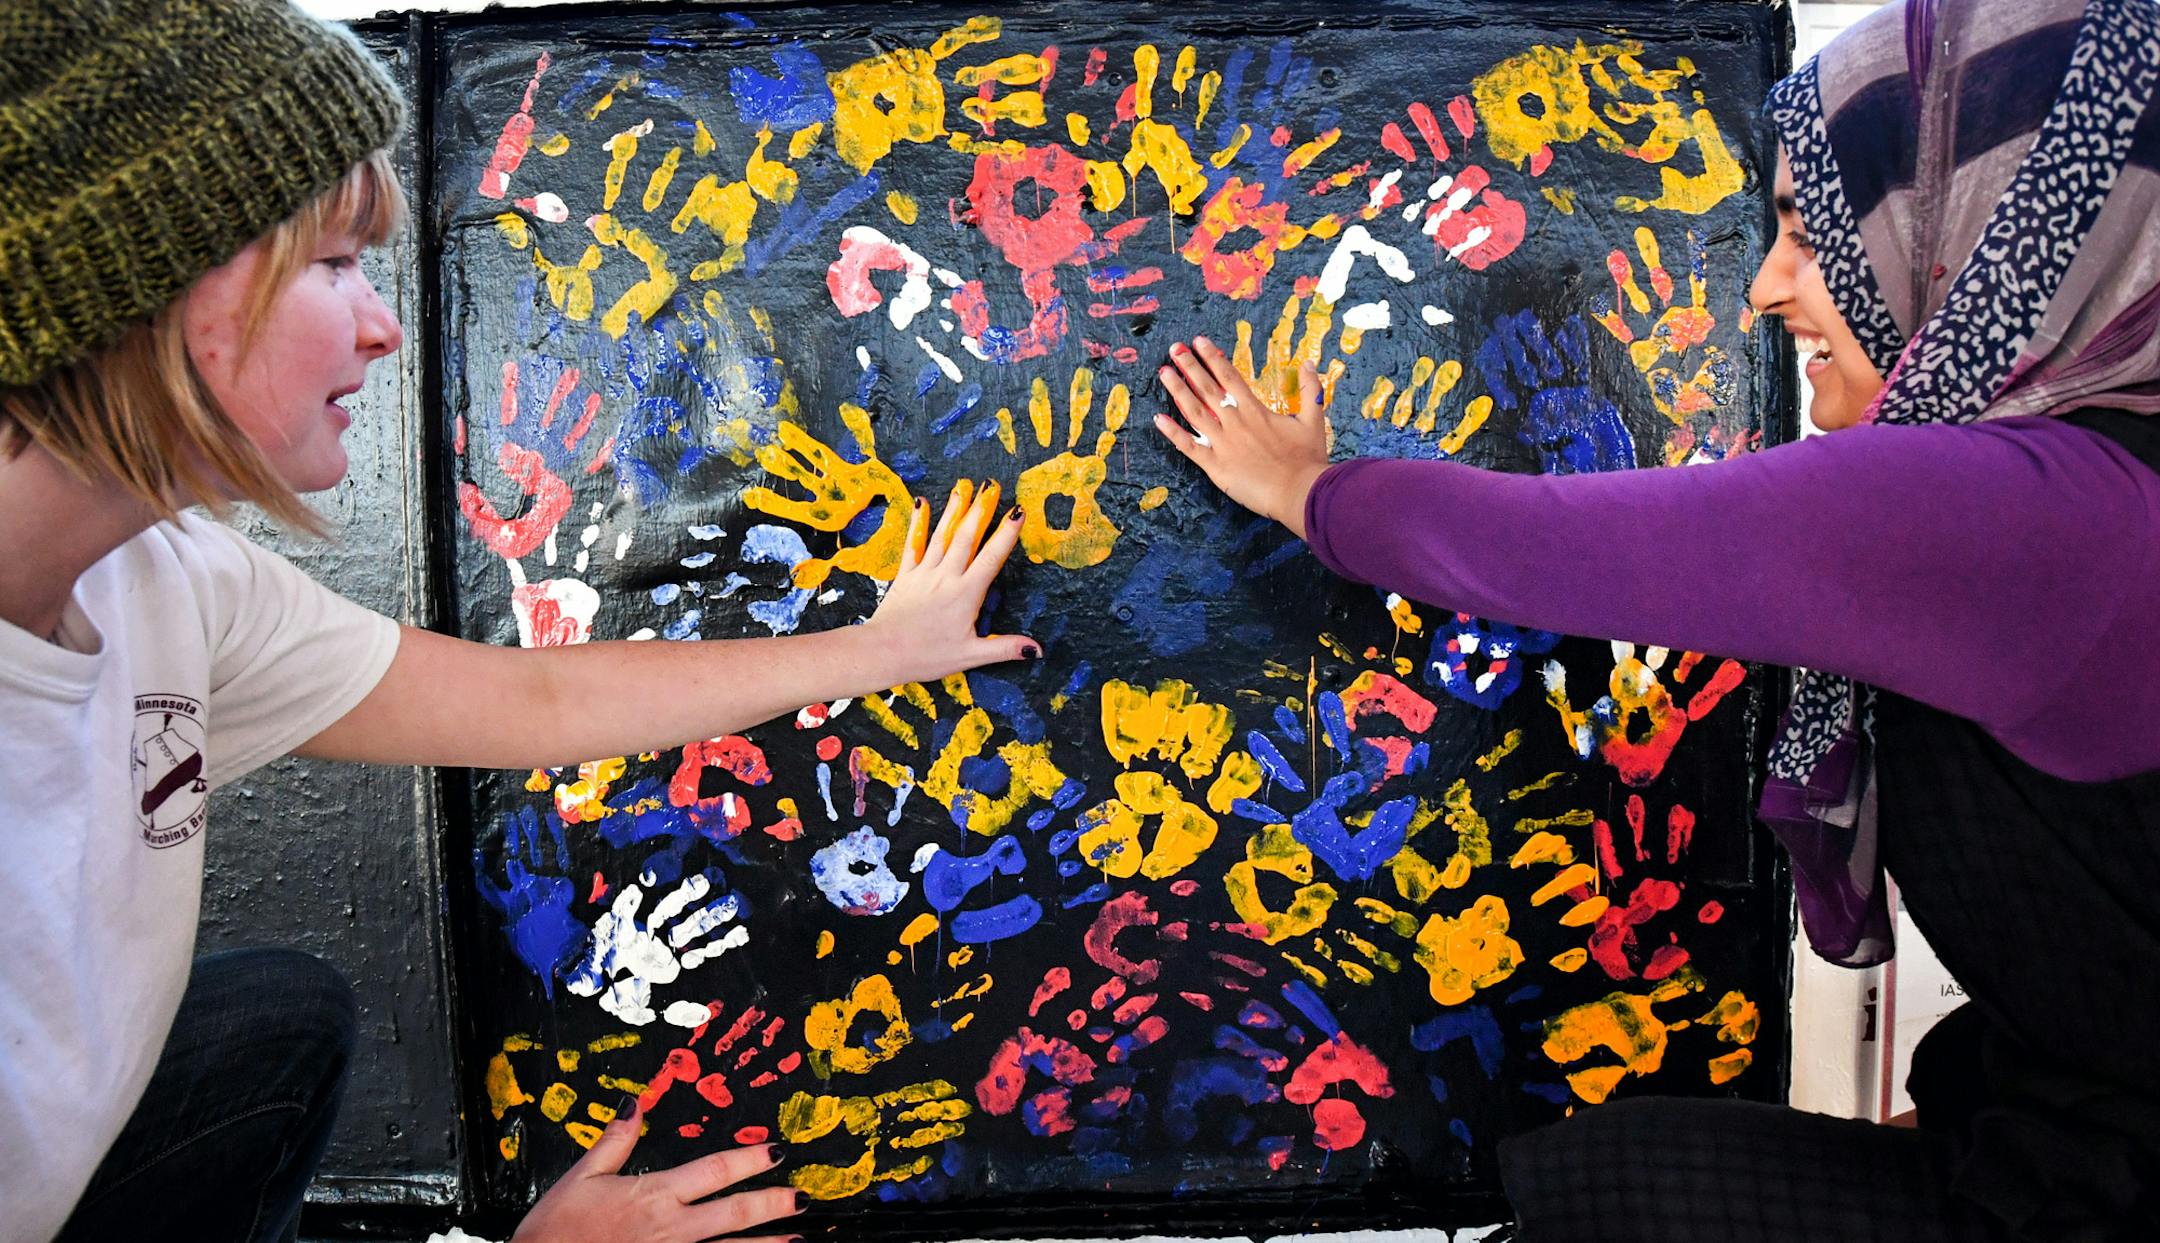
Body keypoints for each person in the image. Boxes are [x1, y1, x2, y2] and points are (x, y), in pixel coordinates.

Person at [0, 3, 1037, 1241]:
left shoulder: (173, 580)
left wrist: (886, 648)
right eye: (331, 264)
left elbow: (533, 705)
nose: (382, 324)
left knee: (276, 1021)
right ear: (132, 280)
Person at [1156, 0, 2160, 1237]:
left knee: (1602, 1200)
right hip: (2064, 1114)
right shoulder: (2109, 478)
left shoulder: (2035, 522)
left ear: (1988, 239)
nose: (1765, 290)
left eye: (1813, 232)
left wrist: (1310, 494)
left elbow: (1557, 552)